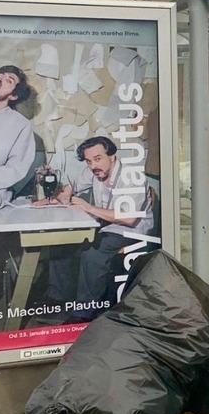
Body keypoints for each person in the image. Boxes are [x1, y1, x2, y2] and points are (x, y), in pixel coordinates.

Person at [35, 135, 154, 320]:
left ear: (112, 157)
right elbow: (71, 187)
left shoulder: (132, 177)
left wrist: (88, 207)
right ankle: (58, 298)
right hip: (107, 225)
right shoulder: (94, 171)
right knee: (62, 242)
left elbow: (129, 218)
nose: (93, 165)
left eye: (98, 159)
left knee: (94, 251)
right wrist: (51, 199)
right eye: (89, 161)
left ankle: (85, 313)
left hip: (133, 231)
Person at [0, 65, 36, 289]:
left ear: (14, 95)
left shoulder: (20, 125)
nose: (0, 79)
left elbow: (17, 169)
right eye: (0, 75)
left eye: (9, 80)